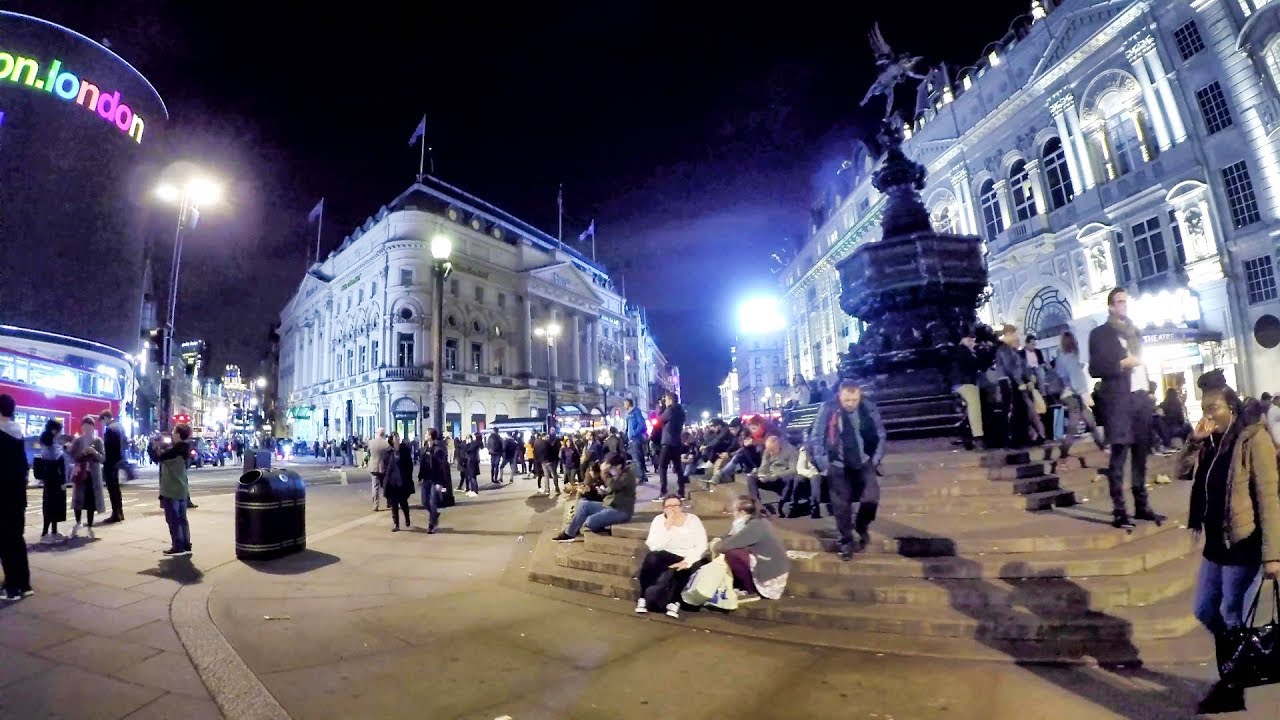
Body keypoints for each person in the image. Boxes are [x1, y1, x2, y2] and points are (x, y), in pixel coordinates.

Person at [1178, 370, 1280, 714]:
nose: (1209, 415)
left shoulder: (1255, 439)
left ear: (1232, 406)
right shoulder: (1209, 441)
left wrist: (1273, 556)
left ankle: (1231, 686)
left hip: (1243, 544)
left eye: (1215, 408)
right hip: (1215, 544)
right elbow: (1180, 471)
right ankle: (1236, 671)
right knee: (1205, 610)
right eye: (1205, 408)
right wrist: (1193, 440)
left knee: (1230, 615)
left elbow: (1269, 498)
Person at [1089, 287, 1164, 530]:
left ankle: (1142, 506)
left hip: (1141, 398)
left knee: (1141, 455)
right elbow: (1095, 368)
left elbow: (1143, 362)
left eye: (1125, 302)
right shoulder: (1100, 334)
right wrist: (1120, 364)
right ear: (1110, 306)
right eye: (1119, 302)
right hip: (1119, 402)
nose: (1124, 306)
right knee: (1119, 457)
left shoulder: (1135, 332)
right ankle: (1119, 510)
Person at [806, 380, 886, 561]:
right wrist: (823, 463)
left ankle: (861, 525)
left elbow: (880, 434)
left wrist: (875, 459)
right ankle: (846, 542)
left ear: (859, 396)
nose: (851, 404)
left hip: (864, 460)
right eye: (847, 400)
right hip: (838, 464)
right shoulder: (828, 408)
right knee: (841, 507)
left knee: (871, 498)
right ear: (840, 396)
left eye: (854, 400)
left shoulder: (868, 407)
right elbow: (817, 437)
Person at [635, 495, 708, 618]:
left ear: (681, 507)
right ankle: (643, 597)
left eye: (676, 505)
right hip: (666, 552)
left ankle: (674, 602)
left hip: (687, 554)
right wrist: (667, 526)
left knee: (685, 569)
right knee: (651, 558)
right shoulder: (659, 520)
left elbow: (702, 545)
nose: (673, 509)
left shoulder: (693, 520)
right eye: (669, 506)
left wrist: (688, 561)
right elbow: (654, 546)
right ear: (664, 509)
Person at [710, 496, 790, 604]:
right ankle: (744, 584)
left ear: (741, 512)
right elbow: (730, 536)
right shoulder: (747, 522)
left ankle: (751, 590)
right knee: (733, 551)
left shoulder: (756, 525)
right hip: (764, 561)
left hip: (770, 572)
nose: (732, 513)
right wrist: (719, 539)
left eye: (733, 510)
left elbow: (731, 543)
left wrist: (714, 546)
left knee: (732, 553)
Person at [553, 453, 637, 542]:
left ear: (619, 466)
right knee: (583, 504)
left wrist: (604, 472)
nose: (608, 470)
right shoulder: (618, 473)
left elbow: (613, 485)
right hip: (609, 505)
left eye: (610, 467)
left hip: (621, 511)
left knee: (590, 522)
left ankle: (602, 527)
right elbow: (612, 490)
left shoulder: (628, 476)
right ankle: (569, 533)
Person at [0, 394, 32, 601]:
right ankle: (24, 583)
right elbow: (22, 467)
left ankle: (11, 587)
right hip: (17, 495)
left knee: (5, 541)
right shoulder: (18, 432)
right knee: (17, 539)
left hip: (2, 495)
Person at [1052, 331, 1105, 453]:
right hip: (1074, 394)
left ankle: (1101, 446)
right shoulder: (1071, 357)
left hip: (1068, 393)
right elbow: (1076, 379)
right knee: (1078, 422)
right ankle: (1064, 453)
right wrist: (1084, 393)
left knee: (1088, 420)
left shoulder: (1061, 356)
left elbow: (1061, 373)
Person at [152, 424, 193, 556]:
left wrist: (154, 446)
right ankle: (186, 543)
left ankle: (178, 545)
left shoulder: (174, 451)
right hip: (182, 488)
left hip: (171, 488)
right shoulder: (184, 449)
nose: (172, 434)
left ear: (178, 435)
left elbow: (158, 458)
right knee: (182, 518)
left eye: (174, 432)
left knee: (173, 519)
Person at [69, 415, 106, 536]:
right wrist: (82, 453)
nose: (87, 428)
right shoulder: (78, 440)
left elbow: (102, 458)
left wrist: (94, 452)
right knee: (78, 499)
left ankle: (90, 524)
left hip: (93, 474)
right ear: (82, 427)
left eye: (89, 425)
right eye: (85, 425)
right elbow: (73, 456)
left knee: (91, 500)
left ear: (93, 427)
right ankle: (78, 522)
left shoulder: (98, 441)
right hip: (81, 473)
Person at [745, 435, 799, 516]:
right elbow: (764, 466)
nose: (770, 453)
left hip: (782, 477)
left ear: (779, 446)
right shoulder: (768, 450)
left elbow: (793, 470)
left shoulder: (791, 451)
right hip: (769, 476)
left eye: (772, 450)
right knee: (750, 477)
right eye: (768, 450)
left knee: (790, 478)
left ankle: (784, 503)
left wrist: (776, 475)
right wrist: (761, 474)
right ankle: (757, 505)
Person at [35, 420, 68, 544]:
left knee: (49, 503)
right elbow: (59, 462)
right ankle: (48, 532)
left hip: (49, 478)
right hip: (55, 478)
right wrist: (63, 481)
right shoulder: (53, 445)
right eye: (59, 430)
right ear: (54, 430)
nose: (60, 433)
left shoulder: (47, 442)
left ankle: (50, 531)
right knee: (53, 504)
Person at [655, 392, 688, 497]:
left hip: (667, 442)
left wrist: (661, 407)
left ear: (670, 400)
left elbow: (659, 419)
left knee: (662, 467)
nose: (665, 401)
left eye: (666, 399)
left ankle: (663, 490)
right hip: (677, 442)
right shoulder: (681, 411)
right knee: (678, 467)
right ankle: (681, 490)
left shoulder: (669, 410)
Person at [98, 410, 126, 524]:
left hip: (110, 462)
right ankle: (120, 512)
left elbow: (108, 448)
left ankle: (116, 514)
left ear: (105, 418)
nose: (102, 424)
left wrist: (104, 459)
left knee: (112, 489)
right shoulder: (120, 426)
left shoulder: (110, 429)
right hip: (119, 460)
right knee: (117, 489)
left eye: (102, 421)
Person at [416, 429, 446, 533]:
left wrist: (441, 483)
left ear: (430, 436)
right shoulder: (424, 449)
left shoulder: (438, 450)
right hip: (426, 479)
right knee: (425, 502)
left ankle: (431, 525)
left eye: (426, 433)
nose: (424, 435)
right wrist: (420, 477)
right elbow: (422, 466)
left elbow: (442, 468)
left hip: (435, 480)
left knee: (433, 502)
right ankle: (435, 514)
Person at [384, 433, 415, 531]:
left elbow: (409, 465)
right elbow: (385, 465)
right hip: (392, 482)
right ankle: (396, 524)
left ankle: (407, 518)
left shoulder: (404, 450)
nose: (397, 439)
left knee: (403, 502)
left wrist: (408, 477)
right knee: (393, 504)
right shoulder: (389, 452)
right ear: (392, 440)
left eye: (398, 437)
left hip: (402, 481)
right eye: (395, 438)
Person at [624, 398, 649, 480]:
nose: (624, 405)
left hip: (636, 438)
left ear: (628, 403)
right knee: (639, 457)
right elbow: (628, 428)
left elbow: (642, 425)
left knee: (636, 458)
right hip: (633, 438)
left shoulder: (635, 412)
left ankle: (640, 476)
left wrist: (634, 433)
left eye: (625, 404)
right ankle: (643, 476)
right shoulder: (629, 415)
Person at [367, 428, 391, 512]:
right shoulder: (387, 444)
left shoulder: (371, 442)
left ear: (377, 433)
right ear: (383, 434)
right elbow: (389, 455)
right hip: (384, 467)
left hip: (373, 467)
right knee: (386, 486)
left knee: (375, 487)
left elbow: (368, 453)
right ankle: (389, 502)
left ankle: (375, 505)